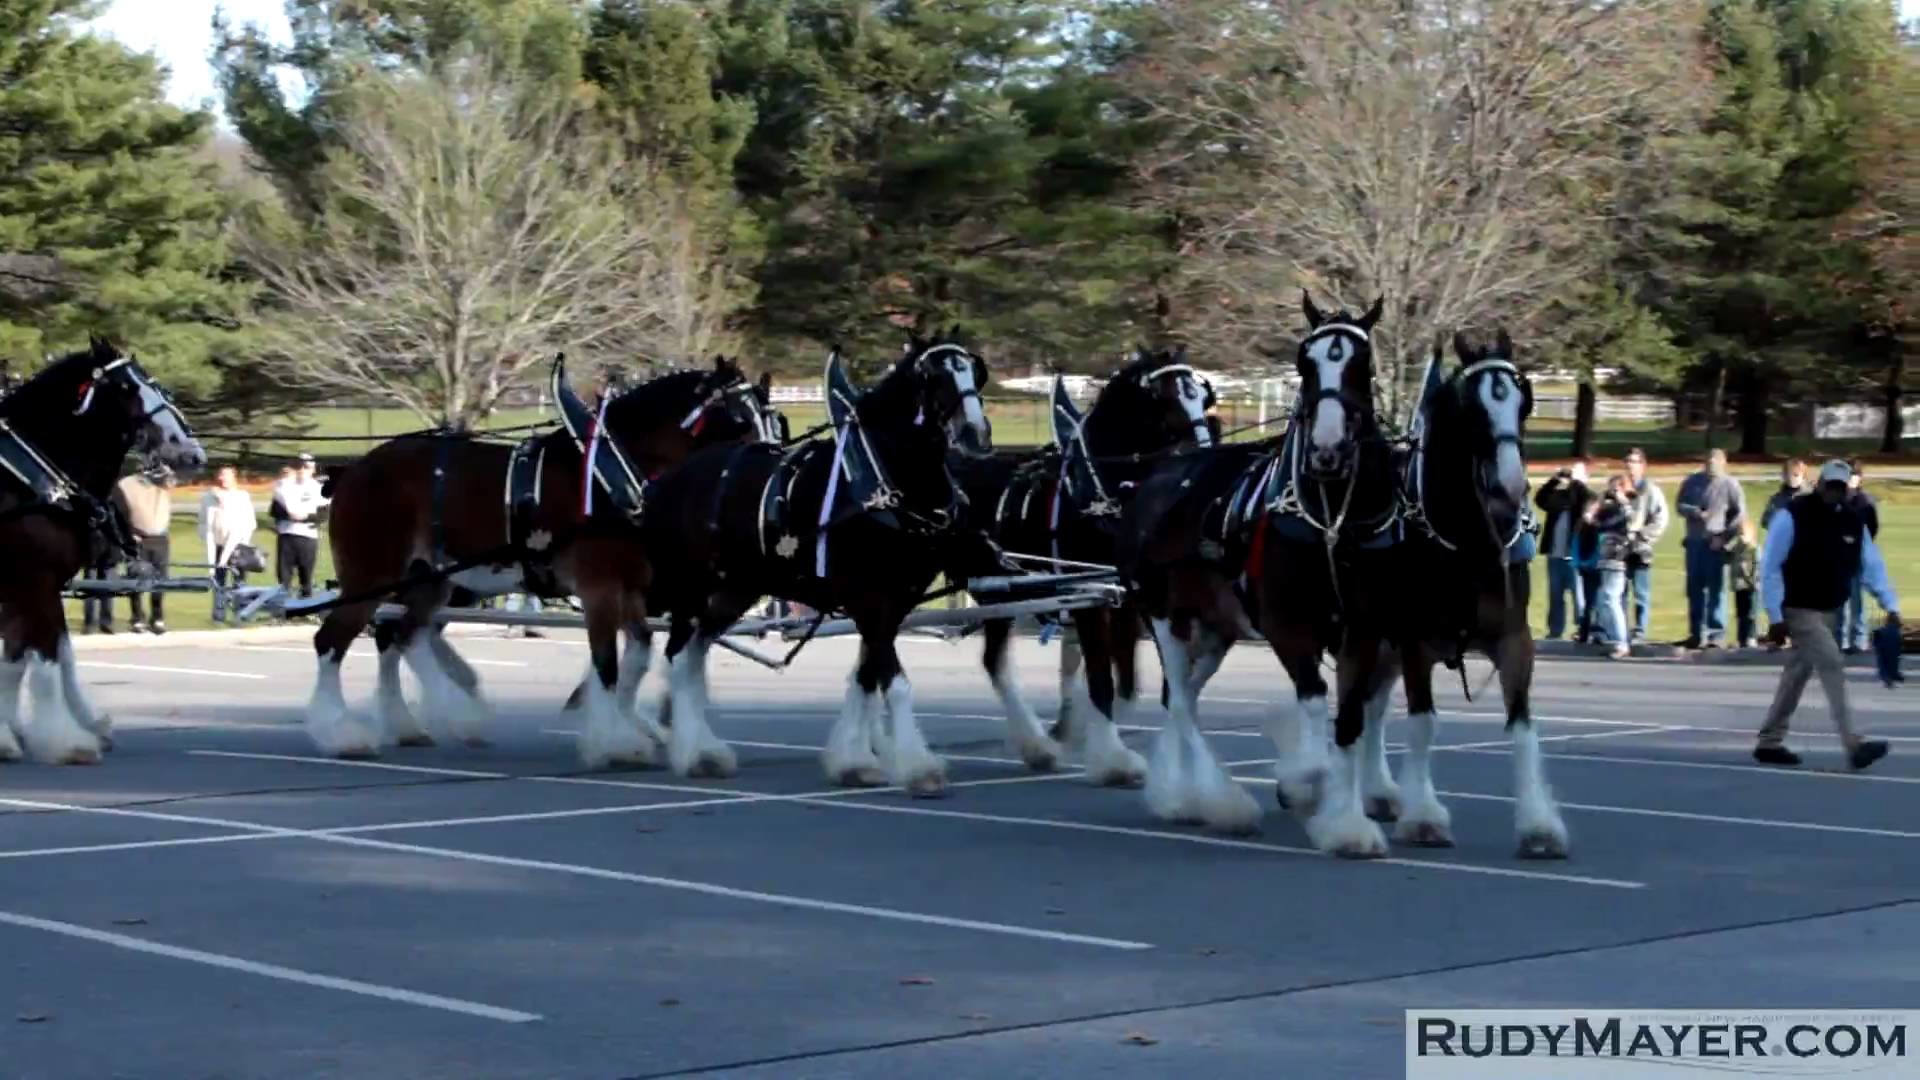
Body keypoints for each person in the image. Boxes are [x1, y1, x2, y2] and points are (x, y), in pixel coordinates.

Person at [1754, 459, 1898, 771]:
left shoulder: (1853, 521)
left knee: (1796, 675)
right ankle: (1853, 744)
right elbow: (1770, 566)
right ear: (1819, 484)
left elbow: (1871, 566)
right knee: (1832, 662)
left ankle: (1769, 741)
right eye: (1829, 485)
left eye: (1840, 487)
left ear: (1847, 489)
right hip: (1799, 609)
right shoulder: (1792, 515)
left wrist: (1891, 605)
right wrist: (1775, 614)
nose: (1834, 492)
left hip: (1830, 610)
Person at [1674, 448, 1746, 648]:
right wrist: (1695, 512)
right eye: (1708, 461)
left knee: (1716, 589)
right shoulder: (1692, 482)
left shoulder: (1730, 484)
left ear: (1724, 463)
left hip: (1716, 543)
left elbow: (1739, 514)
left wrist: (1723, 537)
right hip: (1695, 541)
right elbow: (1679, 505)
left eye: (1715, 462)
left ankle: (1716, 635)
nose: (1711, 465)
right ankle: (1696, 633)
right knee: (1694, 588)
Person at [1534, 458, 1593, 639]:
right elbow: (1541, 499)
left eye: (1577, 472)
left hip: (1574, 556)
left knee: (1579, 598)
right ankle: (1555, 630)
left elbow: (1579, 501)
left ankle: (1583, 630)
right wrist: (1555, 479)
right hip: (1555, 555)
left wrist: (1576, 481)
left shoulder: (1588, 496)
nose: (1572, 476)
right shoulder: (1561, 497)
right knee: (1555, 596)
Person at [113, 463, 175, 634]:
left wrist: (161, 474)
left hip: (160, 537)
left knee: (160, 579)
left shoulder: (161, 482)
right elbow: (120, 512)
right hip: (137, 537)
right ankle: (137, 617)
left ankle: (157, 617)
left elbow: (172, 480)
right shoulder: (127, 484)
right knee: (136, 577)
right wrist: (129, 533)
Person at [1584, 473, 1635, 659]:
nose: (1612, 494)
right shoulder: (1609, 510)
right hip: (1604, 558)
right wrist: (1598, 502)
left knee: (1611, 598)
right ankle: (1613, 639)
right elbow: (1591, 520)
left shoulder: (1627, 507)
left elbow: (1629, 518)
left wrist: (1622, 500)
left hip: (1618, 558)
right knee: (1604, 600)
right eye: (1610, 489)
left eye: (1616, 489)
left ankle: (1622, 643)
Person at [199, 465, 258, 622]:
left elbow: (247, 525)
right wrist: (215, 562)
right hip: (218, 544)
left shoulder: (241, 497)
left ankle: (241, 613)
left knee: (239, 582)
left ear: (234, 477)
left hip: (238, 546)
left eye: (227, 475)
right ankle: (218, 615)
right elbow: (206, 527)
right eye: (221, 475)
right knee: (218, 581)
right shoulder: (209, 498)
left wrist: (227, 557)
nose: (223, 478)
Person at [1621, 447, 1668, 644]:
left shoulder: (1651, 490)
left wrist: (1643, 536)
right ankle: (1620, 629)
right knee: (1619, 593)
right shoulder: (1619, 487)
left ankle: (1639, 631)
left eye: (1635, 462)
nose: (1631, 466)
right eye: (1629, 461)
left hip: (1640, 550)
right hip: (1620, 549)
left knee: (1641, 593)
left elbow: (1661, 518)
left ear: (1643, 466)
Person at [271, 452, 328, 600]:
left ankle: (305, 608)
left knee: (306, 577)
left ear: (313, 469)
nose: (302, 469)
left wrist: (305, 517)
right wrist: (290, 515)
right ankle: (283, 610)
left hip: (308, 537)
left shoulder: (318, 488)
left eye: (306, 466)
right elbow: (274, 510)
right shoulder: (284, 486)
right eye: (299, 466)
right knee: (284, 576)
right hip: (287, 535)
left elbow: (323, 515)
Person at [1838, 459, 1879, 654]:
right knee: (1838, 601)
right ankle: (1839, 638)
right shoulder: (1836, 500)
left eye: (1851, 475)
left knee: (1857, 599)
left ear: (1858, 478)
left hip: (1857, 556)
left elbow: (1872, 527)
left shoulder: (1864, 502)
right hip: (1837, 557)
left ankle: (1859, 639)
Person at [1724, 514, 1760, 648]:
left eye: (1743, 533)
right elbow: (1727, 555)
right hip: (1739, 586)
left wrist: (1753, 580)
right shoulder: (1737, 548)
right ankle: (1741, 638)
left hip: (1751, 586)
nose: (1740, 537)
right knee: (1740, 613)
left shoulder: (1754, 549)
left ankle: (1751, 636)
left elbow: (1756, 565)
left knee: (1751, 613)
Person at [1763, 457, 1808, 528]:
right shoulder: (1775, 499)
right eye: (1788, 474)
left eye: (1796, 475)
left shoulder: (1809, 500)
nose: (1791, 478)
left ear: (1803, 478)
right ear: (1783, 476)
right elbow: (1765, 521)